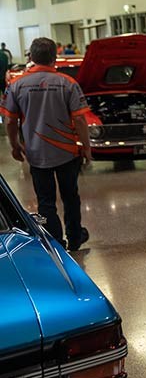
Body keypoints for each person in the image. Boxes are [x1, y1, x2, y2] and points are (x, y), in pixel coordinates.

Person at [0, 37, 92, 251]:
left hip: (36, 153)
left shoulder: (16, 85)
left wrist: (14, 145)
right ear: (54, 58)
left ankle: (55, 242)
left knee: (45, 201)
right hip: (68, 152)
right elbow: (79, 119)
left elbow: (10, 120)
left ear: (30, 57)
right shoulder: (67, 83)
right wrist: (86, 148)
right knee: (71, 196)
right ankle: (75, 237)